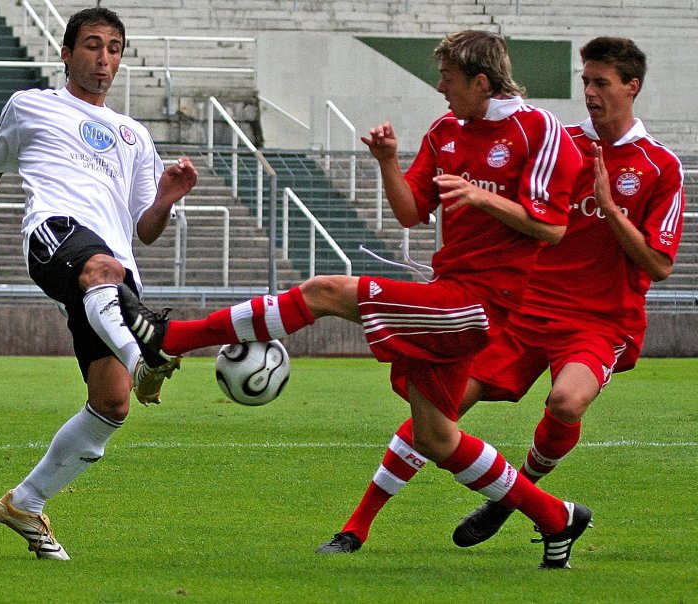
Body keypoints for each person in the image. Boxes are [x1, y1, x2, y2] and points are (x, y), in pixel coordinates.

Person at [117, 30, 593, 569]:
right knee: (437, 438)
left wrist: (482, 197)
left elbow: (552, 228)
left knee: (324, 291)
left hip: (484, 303)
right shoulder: (446, 130)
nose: (440, 88)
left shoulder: (539, 130)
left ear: (481, 82)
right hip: (448, 291)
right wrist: (388, 161)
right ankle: (556, 517)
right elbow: (410, 212)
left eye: (448, 78)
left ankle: (172, 339)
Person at [313, 36, 685, 558]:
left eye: (602, 82)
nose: (590, 92)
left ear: (632, 87)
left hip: (599, 320)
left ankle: (514, 497)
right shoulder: (557, 142)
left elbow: (660, 265)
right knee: (438, 411)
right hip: (523, 308)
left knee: (566, 401)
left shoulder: (659, 165)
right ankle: (357, 527)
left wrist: (608, 208)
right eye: (585, 81)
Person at [0, 7, 198, 560]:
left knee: (112, 404)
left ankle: (25, 502)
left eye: (113, 49)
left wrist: (165, 198)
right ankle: (145, 360)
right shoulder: (30, 105)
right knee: (104, 272)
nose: (104, 58)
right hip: (55, 235)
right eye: (92, 45)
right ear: (66, 53)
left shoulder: (135, 136)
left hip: (114, 273)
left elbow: (146, 229)